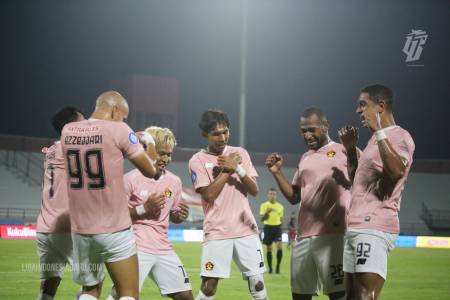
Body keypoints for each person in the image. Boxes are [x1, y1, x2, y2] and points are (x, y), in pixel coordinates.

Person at [60, 91, 160, 300]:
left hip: (81, 229)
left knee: (90, 291)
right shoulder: (119, 129)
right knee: (129, 293)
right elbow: (151, 171)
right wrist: (148, 143)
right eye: (123, 116)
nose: (124, 120)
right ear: (115, 109)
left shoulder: (67, 130)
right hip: (114, 227)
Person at [266, 107, 350, 300]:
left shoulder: (345, 150)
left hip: (333, 236)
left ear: (326, 126)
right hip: (303, 237)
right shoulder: (305, 158)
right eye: (303, 131)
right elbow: (295, 197)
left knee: (338, 294)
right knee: (300, 295)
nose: (307, 135)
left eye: (312, 129)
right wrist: (277, 172)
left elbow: (363, 182)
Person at [339, 84, 415, 300]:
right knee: (351, 296)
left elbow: (396, 171)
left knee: (365, 295)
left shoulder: (399, 136)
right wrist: (352, 151)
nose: (358, 111)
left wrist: (379, 130)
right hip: (355, 225)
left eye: (363, 105)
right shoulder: (374, 141)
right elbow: (358, 185)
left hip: (374, 226)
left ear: (380, 107)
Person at [188, 109, 267, 300]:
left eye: (225, 132)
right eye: (216, 133)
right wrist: (227, 171)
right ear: (204, 135)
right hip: (217, 231)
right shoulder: (197, 160)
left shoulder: (240, 153)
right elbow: (208, 195)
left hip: (245, 228)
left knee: (257, 283)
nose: (222, 137)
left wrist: (238, 168)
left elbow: (254, 190)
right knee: (209, 287)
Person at [107, 126, 193, 300]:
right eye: (162, 153)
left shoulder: (174, 182)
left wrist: (179, 216)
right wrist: (143, 208)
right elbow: (114, 215)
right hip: (135, 248)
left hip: (163, 248)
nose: (166, 159)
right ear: (149, 150)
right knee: (124, 295)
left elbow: (172, 215)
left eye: (169, 154)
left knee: (185, 296)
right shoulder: (129, 179)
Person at [36, 107, 84, 300]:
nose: (88, 124)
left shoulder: (52, 149)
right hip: (66, 226)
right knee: (93, 281)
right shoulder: (72, 148)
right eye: (83, 121)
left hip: (44, 227)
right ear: (72, 125)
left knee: (50, 283)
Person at [259, 188, 284, 274]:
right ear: (268, 195)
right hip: (268, 227)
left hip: (277, 228)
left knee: (279, 246)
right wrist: (267, 212)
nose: (272, 196)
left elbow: (281, 218)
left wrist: (281, 226)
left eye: (274, 194)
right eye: (270, 194)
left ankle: (278, 267)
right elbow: (262, 219)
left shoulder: (280, 206)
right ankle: (270, 269)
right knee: (269, 248)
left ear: (276, 196)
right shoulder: (264, 205)